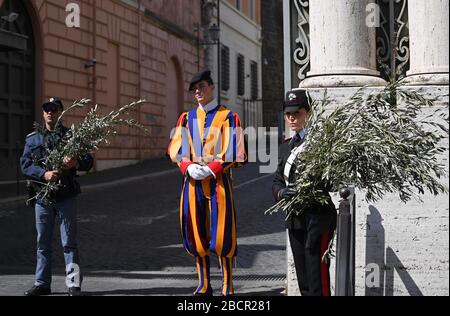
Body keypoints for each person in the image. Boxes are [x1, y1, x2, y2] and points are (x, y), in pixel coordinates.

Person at [167, 69, 247, 296]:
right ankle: (203, 284)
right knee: (196, 232)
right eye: (195, 89)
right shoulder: (186, 118)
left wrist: (211, 169)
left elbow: (235, 150)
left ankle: (227, 284)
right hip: (192, 185)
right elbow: (176, 149)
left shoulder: (229, 117)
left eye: (202, 86)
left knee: (222, 234)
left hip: (219, 183)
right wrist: (188, 167)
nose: (198, 91)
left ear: (212, 87)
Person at [20, 97, 93, 296]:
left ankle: (74, 285)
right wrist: (43, 174)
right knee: (42, 242)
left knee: (69, 242)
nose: (50, 112)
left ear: (61, 112)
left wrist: (75, 162)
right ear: (43, 113)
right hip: (42, 198)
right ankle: (42, 283)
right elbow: (25, 165)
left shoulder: (71, 137)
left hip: (65, 196)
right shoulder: (32, 139)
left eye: (54, 109)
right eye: (47, 109)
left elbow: (88, 161)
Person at [272, 89, 337, 296]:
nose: (292, 118)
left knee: (317, 275)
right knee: (302, 276)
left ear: (307, 113)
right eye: (288, 114)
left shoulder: (320, 143)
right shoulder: (285, 147)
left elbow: (330, 181)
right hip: (295, 218)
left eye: (297, 113)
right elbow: (276, 180)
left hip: (317, 217)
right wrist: (281, 193)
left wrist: (309, 187)